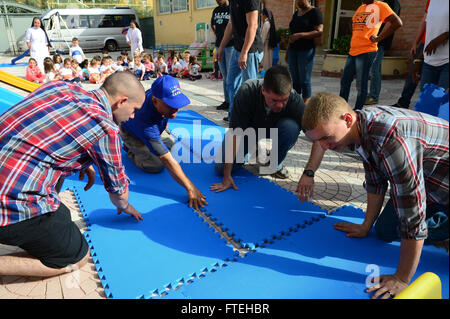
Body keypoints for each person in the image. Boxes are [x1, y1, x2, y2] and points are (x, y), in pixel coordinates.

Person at [301, 92, 449, 299]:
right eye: (318, 141)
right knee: (384, 230)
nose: (324, 147)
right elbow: (375, 180)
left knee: (411, 222)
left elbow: (412, 211)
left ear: (348, 119)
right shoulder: (359, 129)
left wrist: (402, 278)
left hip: (443, 185)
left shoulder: (390, 138)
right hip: (429, 180)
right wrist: (365, 226)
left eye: (326, 138)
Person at [0, 72, 146, 277]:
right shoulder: (106, 129)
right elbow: (118, 193)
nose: (132, 116)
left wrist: (80, 160)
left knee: (62, 214)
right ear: (121, 101)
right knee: (76, 256)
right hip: (7, 205)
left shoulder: (59, 87)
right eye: (134, 110)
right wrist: (126, 206)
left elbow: (42, 129)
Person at [211, 65, 325, 199]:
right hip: (248, 132)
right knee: (220, 169)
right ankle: (250, 149)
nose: (280, 105)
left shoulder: (295, 101)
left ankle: (274, 162)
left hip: (276, 129)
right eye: (274, 100)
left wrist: (309, 173)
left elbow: (319, 138)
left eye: (284, 100)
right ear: (263, 90)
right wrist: (227, 176)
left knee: (291, 128)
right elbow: (235, 134)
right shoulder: (247, 92)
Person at [119, 75, 208, 212]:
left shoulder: (156, 94)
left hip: (153, 126)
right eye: (171, 107)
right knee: (156, 166)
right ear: (155, 102)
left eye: (177, 106)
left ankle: (148, 144)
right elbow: (167, 161)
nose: (175, 114)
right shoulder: (145, 120)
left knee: (170, 144)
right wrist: (190, 187)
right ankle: (130, 148)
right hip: (133, 133)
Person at [339, 0, 402, 110]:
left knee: (361, 84)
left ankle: (358, 111)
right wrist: (356, 35)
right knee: (345, 80)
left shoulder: (381, 6)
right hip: (353, 50)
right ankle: (340, 108)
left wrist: (379, 38)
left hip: (367, 51)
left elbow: (397, 22)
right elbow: (352, 22)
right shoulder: (361, 7)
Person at [217, 0, 264, 122]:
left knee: (250, 87)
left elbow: (253, 25)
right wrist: (221, 47)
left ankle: (251, 120)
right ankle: (234, 115)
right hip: (238, 48)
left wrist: (244, 53)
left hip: (251, 49)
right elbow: (230, 25)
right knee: (231, 83)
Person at [391, 0, 429, 109]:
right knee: (413, 72)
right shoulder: (431, 1)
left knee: (429, 78)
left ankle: (427, 108)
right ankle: (403, 102)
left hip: (440, 45)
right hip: (423, 43)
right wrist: (415, 42)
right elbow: (424, 21)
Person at [286, 0, 323, 104]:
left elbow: (319, 31)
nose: (299, 1)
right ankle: (296, 104)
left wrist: (300, 35)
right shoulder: (296, 13)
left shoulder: (315, 12)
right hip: (293, 50)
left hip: (306, 51)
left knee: (305, 80)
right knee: (295, 80)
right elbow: (292, 35)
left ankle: (305, 107)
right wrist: (288, 51)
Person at [365, 0, 401, 106]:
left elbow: (392, 22)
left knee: (374, 69)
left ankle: (373, 96)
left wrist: (378, 37)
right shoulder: (381, 2)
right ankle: (372, 94)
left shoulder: (393, 2)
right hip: (374, 40)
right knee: (375, 68)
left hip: (380, 42)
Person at [412, 0, 449, 91]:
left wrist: (443, 36)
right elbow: (430, 32)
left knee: (442, 102)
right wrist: (419, 59)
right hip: (429, 62)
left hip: (447, 63)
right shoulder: (431, 1)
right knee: (426, 102)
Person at [211, 0, 233, 111]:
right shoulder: (216, 10)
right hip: (219, 45)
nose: (217, 0)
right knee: (225, 76)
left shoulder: (232, 8)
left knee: (231, 76)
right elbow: (212, 25)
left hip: (231, 46)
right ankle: (227, 100)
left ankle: (233, 102)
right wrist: (218, 37)